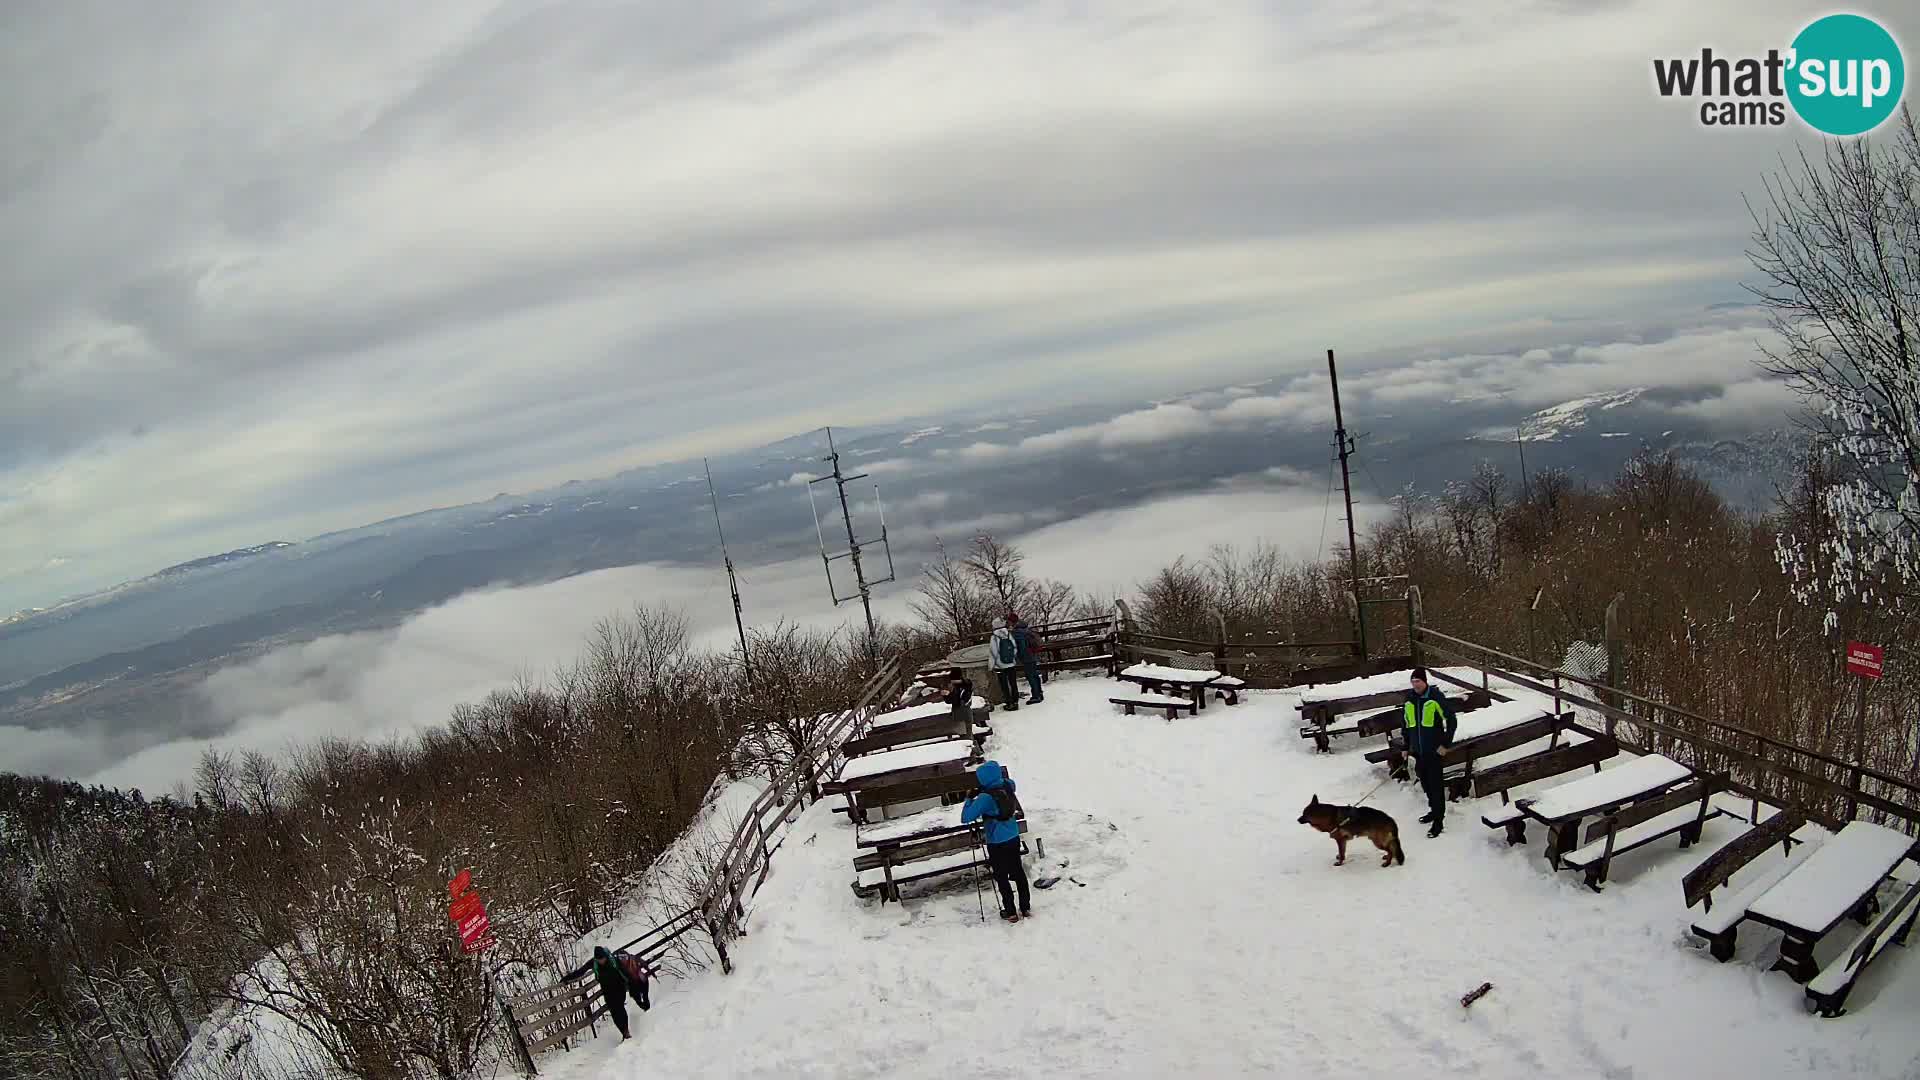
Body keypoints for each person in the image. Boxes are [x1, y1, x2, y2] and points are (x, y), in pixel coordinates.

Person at [961, 760, 1031, 922]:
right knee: (1018, 872)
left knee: (1001, 876)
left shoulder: (985, 798)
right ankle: (1025, 907)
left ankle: (1011, 912)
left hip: (997, 841)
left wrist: (969, 799)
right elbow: (1007, 784)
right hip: (1013, 836)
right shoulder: (1008, 785)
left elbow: (966, 818)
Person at [1403, 667, 1459, 837]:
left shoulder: (1435, 697)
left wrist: (1445, 744)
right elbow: (1405, 725)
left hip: (1434, 751)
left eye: (1418, 681)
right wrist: (1406, 747)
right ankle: (1434, 811)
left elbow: (1451, 720)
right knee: (1426, 784)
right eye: (1413, 682)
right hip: (1418, 752)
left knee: (1435, 786)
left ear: (1425, 682)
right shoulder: (1409, 699)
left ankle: (1438, 821)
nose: (1416, 685)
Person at [586, 945, 634, 1039]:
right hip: (608, 992)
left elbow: (624, 971)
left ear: (605, 956)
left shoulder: (613, 960)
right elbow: (581, 971)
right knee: (615, 1014)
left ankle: (626, 1032)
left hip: (619, 988)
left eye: (602, 958)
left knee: (620, 1009)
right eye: (599, 959)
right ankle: (623, 1032)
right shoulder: (594, 963)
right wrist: (567, 978)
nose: (601, 961)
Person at [988, 619, 1021, 710]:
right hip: (1010, 663)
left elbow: (993, 652)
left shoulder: (994, 637)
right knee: (1013, 683)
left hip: (1000, 666)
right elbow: (1014, 647)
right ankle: (1015, 701)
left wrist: (991, 666)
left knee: (1004, 685)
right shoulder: (1008, 634)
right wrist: (1012, 659)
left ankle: (1009, 702)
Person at [1012, 615, 1044, 704]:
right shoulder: (1026, 628)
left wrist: (1019, 657)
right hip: (1033, 654)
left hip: (1027, 656)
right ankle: (1039, 693)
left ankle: (1035, 696)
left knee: (1030, 676)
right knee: (1035, 674)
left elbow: (1021, 647)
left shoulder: (1017, 632)